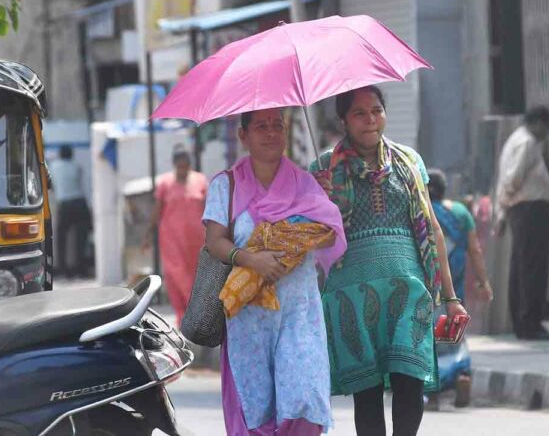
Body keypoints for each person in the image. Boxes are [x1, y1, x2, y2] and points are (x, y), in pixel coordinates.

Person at [310, 86, 468, 436]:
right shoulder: (322, 169)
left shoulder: (409, 161)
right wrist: (320, 196)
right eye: (359, 113)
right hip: (351, 296)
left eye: (376, 110)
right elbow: (315, 239)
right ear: (343, 120)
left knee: (410, 381)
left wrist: (451, 298)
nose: (370, 119)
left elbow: (433, 229)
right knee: (366, 394)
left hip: (409, 291)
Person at [202, 108, 346, 436]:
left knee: (304, 399)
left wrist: (324, 205)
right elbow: (214, 241)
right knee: (256, 412)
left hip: (299, 312)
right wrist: (251, 259)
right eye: (261, 126)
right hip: (248, 320)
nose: (270, 133)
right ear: (243, 136)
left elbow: (329, 230)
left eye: (277, 126)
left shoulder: (307, 184)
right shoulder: (226, 185)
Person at [426, 169, 494, 408]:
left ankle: (432, 393)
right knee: (453, 334)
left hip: (427, 286)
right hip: (453, 285)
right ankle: (462, 375)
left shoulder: (421, 211)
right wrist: (483, 281)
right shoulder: (460, 212)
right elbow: (475, 250)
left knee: (430, 339)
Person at [494, 106, 549, 340]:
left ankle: (522, 323)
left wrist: (502, 211)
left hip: (519, 209)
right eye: (547, 127)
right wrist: (505, 205)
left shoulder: (513, 140)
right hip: (530, 208)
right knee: (533, 267)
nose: (547, 133)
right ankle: (531, 324)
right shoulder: (527, 142)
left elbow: (505, 180)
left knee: (522, 267)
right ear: (539, 123)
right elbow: (513, 178)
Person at [149, 144, 208, 326]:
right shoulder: (165, 183)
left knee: (196, 277)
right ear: (175, 165)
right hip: (172, 241)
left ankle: (196, 315)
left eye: (185, 166)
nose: (182, 170)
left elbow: (208, 209)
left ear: (189, 165)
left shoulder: (200, 180)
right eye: (179, 166)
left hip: (196, 241)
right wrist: (148, 234)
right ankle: (183, 316)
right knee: (176, 277)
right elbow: (157, 211)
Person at [49, 145, 91, 277]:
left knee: (61, 238)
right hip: (80, 202)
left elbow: (52, 185)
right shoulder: (77, 166)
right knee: (81, 238)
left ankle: (63, 270)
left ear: (60, 155)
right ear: (71, 155)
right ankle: (81, 269)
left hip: (64, 203)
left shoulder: (53, 166)